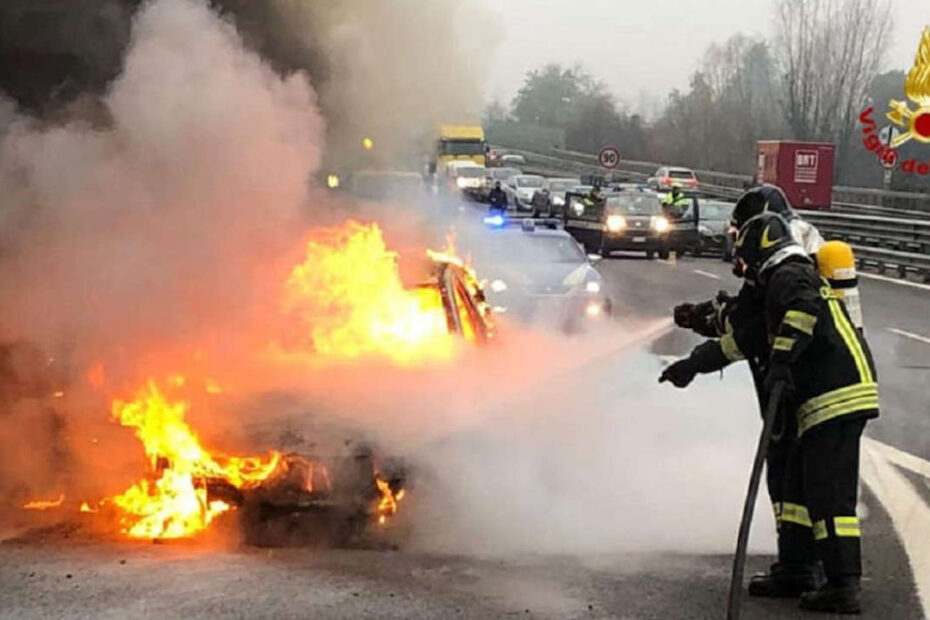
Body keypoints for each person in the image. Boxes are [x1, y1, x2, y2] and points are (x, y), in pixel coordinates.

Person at [660, 212, 879, 614]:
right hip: (825, 398)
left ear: (758, 250)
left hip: (837, 394)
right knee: (801, 487)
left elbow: (802, 309)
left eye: (744, 259)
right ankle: (798, 569)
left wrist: (782, 359)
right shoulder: (776, 286)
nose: (744, 269)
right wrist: (691, 364)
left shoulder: (789, 275)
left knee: (829, 496)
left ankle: (842, 585)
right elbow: (744, 339)